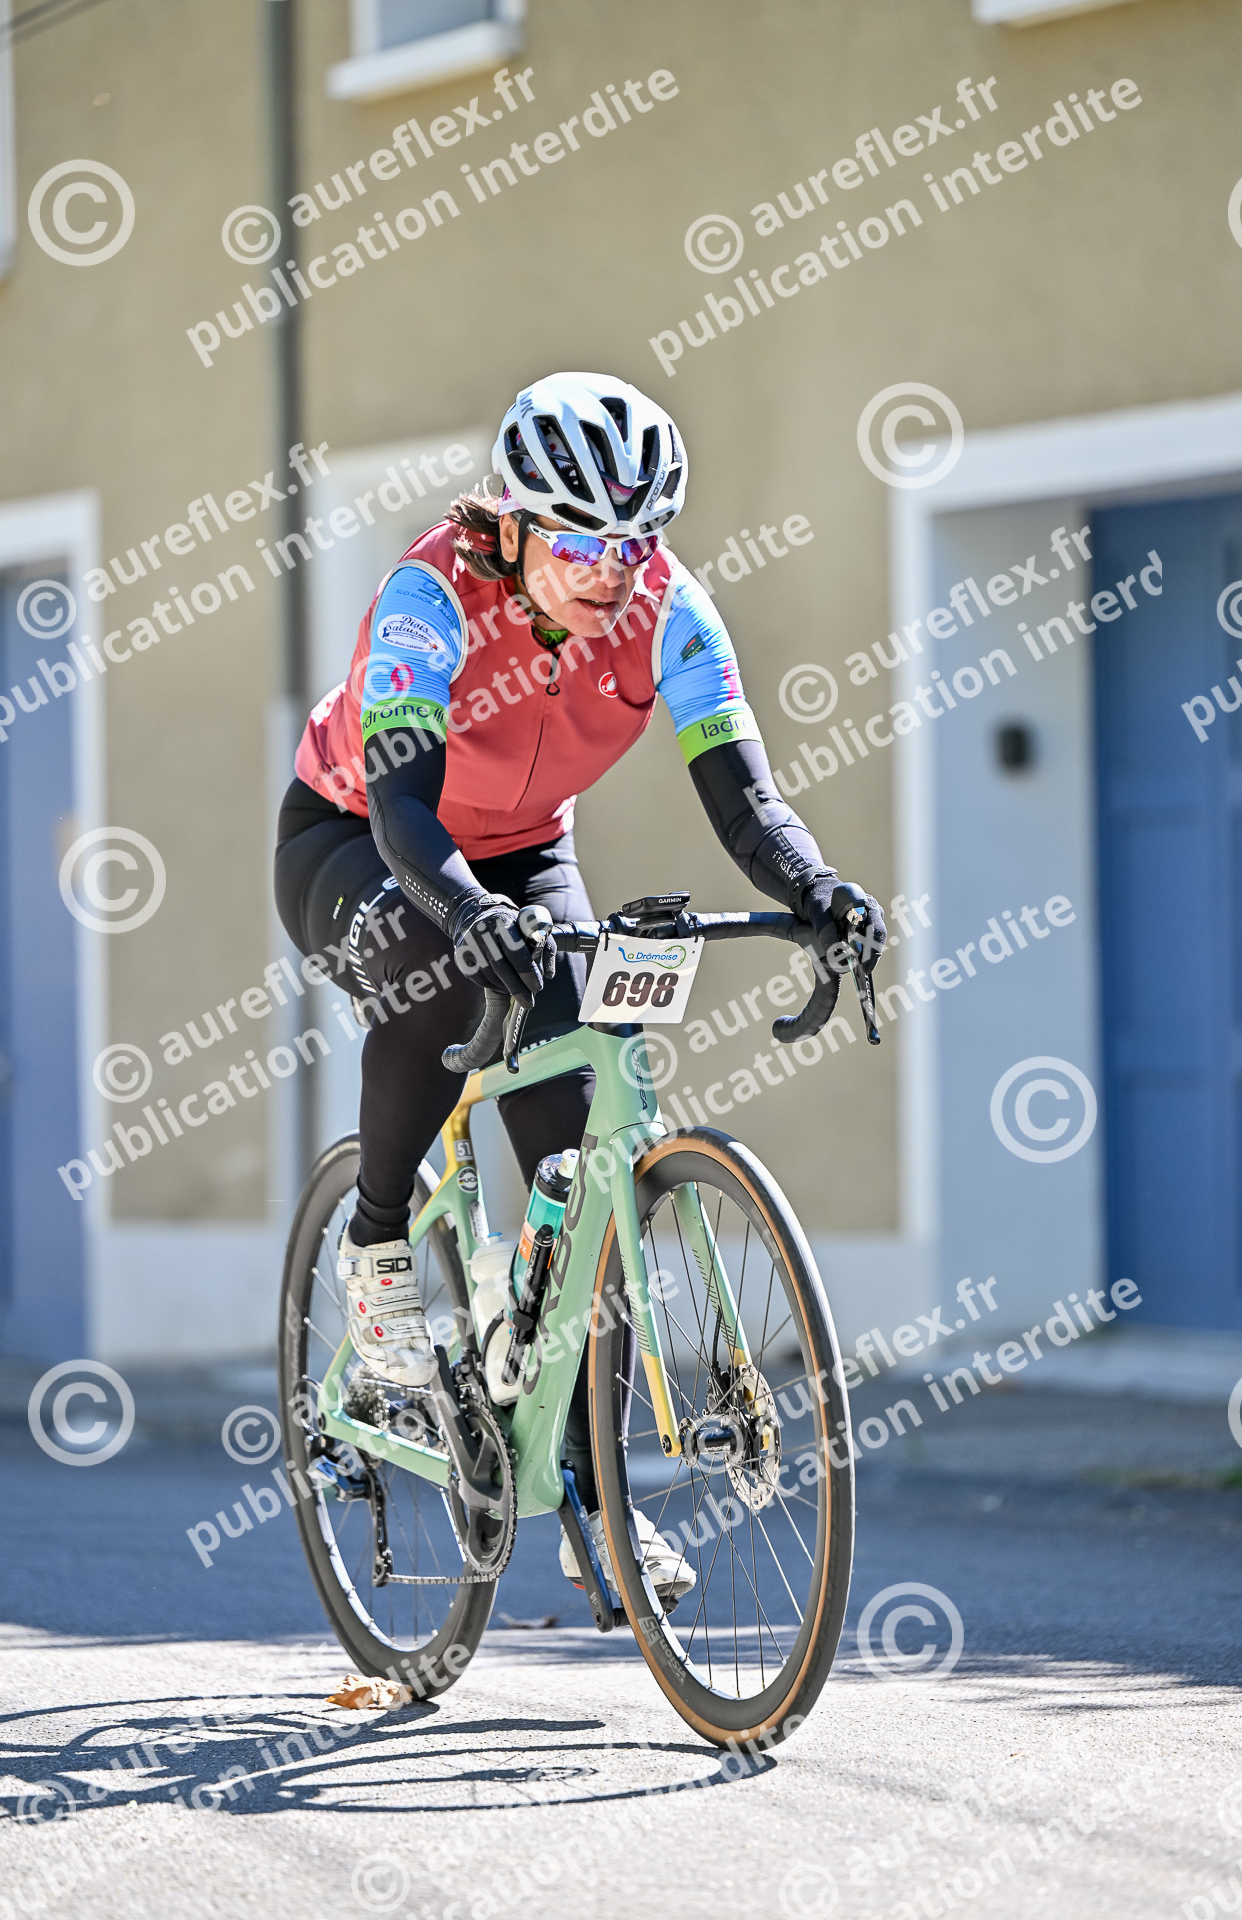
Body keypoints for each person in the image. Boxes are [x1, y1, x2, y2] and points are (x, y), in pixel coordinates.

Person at [274, 370, 885, 1600]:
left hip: (521, 852)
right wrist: (465, 916)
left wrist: (816, 888)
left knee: (577, 1165)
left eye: (635, 542)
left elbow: (745, 797)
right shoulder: (429, 595)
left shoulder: (667, 607)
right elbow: (403, 809)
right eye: (581, 543)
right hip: (357, 837)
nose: (612, 570)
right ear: (512, 525)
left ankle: (594, 1501)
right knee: (437, 968)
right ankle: (379, 1248)